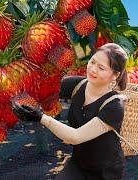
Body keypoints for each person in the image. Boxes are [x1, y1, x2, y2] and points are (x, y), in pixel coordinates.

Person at [12, 43, 128, 180]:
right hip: (78, 165)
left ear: (115, 75)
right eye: (93, 61)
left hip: (105, 173)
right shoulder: (77, 86)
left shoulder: (114, 106)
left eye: (101, 68)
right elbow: (45, 89)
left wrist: (40, 117)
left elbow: (75, 137)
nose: (93, 69)